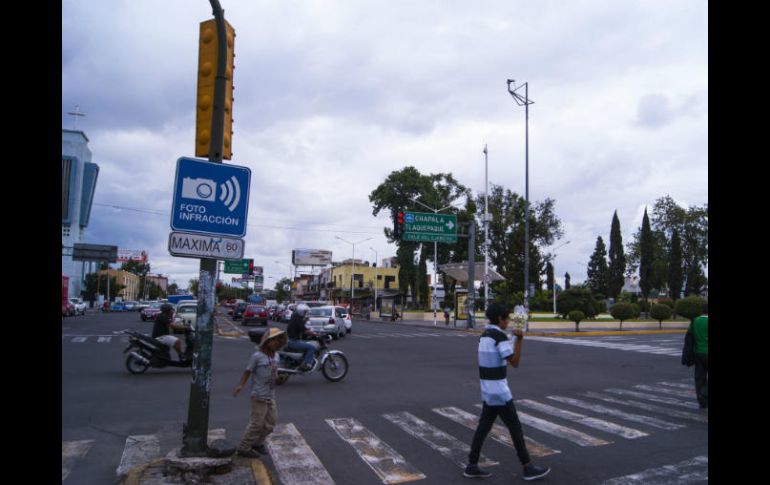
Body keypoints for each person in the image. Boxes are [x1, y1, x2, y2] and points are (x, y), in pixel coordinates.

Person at [464, 303, 551, 481]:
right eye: (507, 318)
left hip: (488, 391)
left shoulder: (485, 336)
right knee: (515, 428)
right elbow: (514, 362)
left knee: (483, 427)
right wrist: (520, 339)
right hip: (500, 393)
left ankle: (472, 465)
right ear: (499, 319)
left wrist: (511, 338)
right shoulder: (499, 337)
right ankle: (527, 467)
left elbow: (499, 355)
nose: (508, 321)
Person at [232, 327, 287, 458]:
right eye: (273, 340)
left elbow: (274, 372)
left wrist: (279, 379)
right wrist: (240, 385)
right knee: (257, 423)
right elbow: (247, 371)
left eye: (278, 341)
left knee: (270, 424)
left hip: (270, 395)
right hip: (258, 396)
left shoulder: (276, 356)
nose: (276, 343)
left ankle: (257, 443)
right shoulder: (257, 356)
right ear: (267, 341)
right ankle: (243, 447)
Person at [286, 303, 317, 371]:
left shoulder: (295, 317)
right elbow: (304, 331)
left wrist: (305, 320)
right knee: (312, 347)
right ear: (301, 311)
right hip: (293, 341)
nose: (305, 313)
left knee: (306, 344)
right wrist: (314, 334)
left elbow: (300, 326)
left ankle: (302, 360)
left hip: (291, 339)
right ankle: (305, 364)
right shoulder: (297, 318)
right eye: (304, 312)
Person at [690, 303, 708, 409]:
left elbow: (690, 337)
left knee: (699, 377)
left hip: (698, 352)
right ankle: (705, 393)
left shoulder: (695, 321)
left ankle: (701, 399)